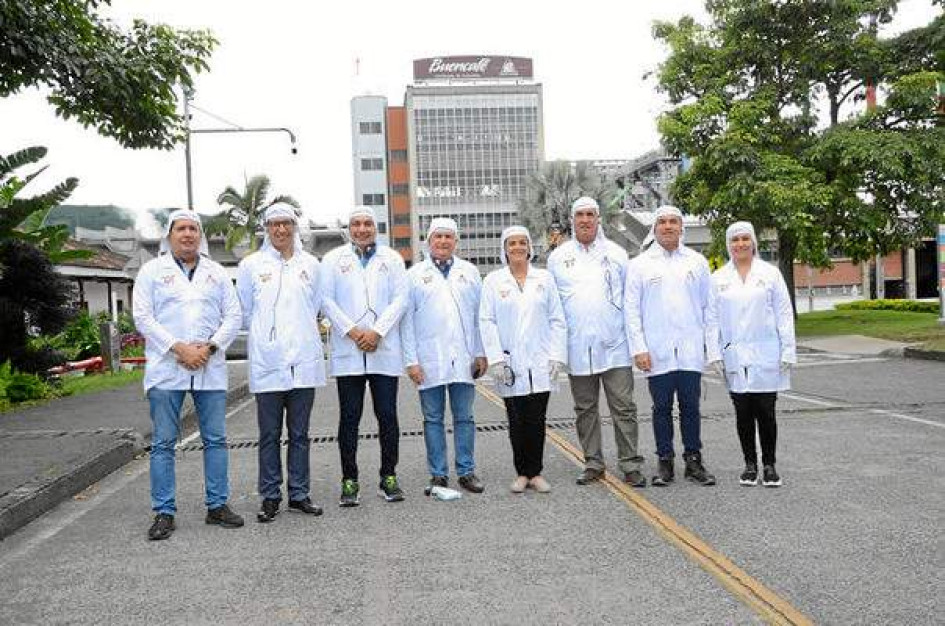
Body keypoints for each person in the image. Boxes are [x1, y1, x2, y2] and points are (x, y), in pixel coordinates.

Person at [133, 209, 244, 541]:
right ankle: (164, 511)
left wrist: (209, 348)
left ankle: (217, 505)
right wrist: (179, 348)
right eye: (180, 229)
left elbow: (233, 316)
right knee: (164, 442)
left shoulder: (216, 273)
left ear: (200, 235)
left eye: (193, 229)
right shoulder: (152, 272)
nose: (187, 234)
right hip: (167, 368)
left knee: (216, 440)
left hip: (209, 366)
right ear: (169, 236)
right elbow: (143, 317)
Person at [547, 197, 646, 488]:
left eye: (591, 215)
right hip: (577, 347)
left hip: (615, 346)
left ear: (598, 219)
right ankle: (593, 463)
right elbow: (553, 308)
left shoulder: (617, 254)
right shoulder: (558, 258)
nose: (585, 220)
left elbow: (630, 302)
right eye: (580, 215)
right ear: (572, 220)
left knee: (624, 407)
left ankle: (630, 464)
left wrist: (636, 344)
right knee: (585, 409)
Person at [236, 204, 326, 523]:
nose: (281, 230)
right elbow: (245, 311)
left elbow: (315, 305)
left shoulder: (311, 265)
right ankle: (270, 496)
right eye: (274, 224)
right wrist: (268, 339)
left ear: (294, 227)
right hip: (268, 363)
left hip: (302, 361)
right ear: (266, 229)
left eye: (286, 223)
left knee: (300, 434)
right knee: (269, 434)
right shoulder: (251, 265)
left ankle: (299, 494)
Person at [624, 205, 720, 487]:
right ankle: (664, 461)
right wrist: (639, 348)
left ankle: (694, 461)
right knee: (661, 408)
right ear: (654, 228)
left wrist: (710, 349)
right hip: (657, 352)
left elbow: (709, 309)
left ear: (681, 228)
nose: (668, 226)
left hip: (690, 350)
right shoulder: (640, 265)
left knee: (690, 406)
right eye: (662, 222)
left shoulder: (696, 262)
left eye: (673, 222)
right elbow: (631, 311)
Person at [320, 206, 409, 506]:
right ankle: (349, 480)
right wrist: (353, 332)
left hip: (383, 349)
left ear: (375, 227)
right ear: (349, 229)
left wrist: (377, 332)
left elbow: (401, 300)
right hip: (349, 349)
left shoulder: (392, 259)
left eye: (367, 224)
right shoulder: (333, 260)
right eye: (356, 224)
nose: (362, 229)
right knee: (349, 418)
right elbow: (326, 300)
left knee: (387, 416)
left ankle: (389, 476)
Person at [401, 217, 487, 494]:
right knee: (433, 419)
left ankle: (466, 471)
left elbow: (479, 317)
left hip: (464, 357)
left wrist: (481, 353)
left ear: (456, 241)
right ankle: (438, 474)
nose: (443, 241)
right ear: (429, 241)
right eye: (437, 237)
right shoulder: (414, 275)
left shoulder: (469, 272)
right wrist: (411, 361)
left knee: (465, 417)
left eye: (448, 237)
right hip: (429, 359)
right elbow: (407, 322)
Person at [479, 226, 567, 493]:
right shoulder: (493, 281)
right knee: (516, 419)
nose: (517, 247)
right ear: (504, 249)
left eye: (522, 243)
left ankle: (535, 472)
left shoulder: (544, 279)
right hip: (510, 361)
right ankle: (521, 473)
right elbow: (487, 321)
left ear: (529, 248)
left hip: (540, 361)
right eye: (512, 243)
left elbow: (557, 319)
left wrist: (556, 356)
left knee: (537, 419)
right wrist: (496, 359)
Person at [712, 221, 795, 487]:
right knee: (743, 412)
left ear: (753, 242)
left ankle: (769, 465)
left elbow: (784, 313)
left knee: (766, 411)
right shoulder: (718, 279)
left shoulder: (770, 274)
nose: (740, 244)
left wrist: (787, 350)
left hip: (766, 352)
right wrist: (714, 353)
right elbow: (711, 320)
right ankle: (749, 465)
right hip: (734, 354)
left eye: (745, 239)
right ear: (729, 245)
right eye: (735, 240)